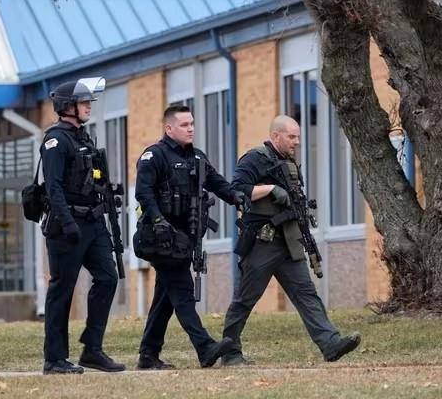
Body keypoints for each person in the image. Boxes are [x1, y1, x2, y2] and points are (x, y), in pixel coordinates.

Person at [221, 115, 361, 366]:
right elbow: (236, 190)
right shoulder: (254, 158)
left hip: (288, 241)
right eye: (292, 136)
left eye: (298, 137)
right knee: (245, 299)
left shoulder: (289, 162)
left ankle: (330, 343)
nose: (297, 142)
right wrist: (270, 190)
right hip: (261, 244)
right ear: (276, 136)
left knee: (307, 293)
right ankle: (230, 352)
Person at [134, 105, 248, 370]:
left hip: (184, 238)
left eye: (192, 124)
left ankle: (148, 355)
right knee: (183, 292)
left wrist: (234, 197)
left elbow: (216, 182)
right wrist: (159, 221)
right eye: (184, 125)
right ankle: (205, 348)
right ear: (169, 128)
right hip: (160, 237)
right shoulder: (155, 155)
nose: (191, 129)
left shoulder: (196, 157)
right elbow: (144, 193)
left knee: (165, 298)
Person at [40, 77, 125, 375]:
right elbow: (53, 188)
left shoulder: (83, 138)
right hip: (67, 226)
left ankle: (92, 349)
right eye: (83, 102)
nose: (89, 106)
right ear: (67, 107)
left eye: (89, 102)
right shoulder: (55, 141)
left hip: (93, 222)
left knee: (108, 277)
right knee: (62, 290)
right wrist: (67, 222)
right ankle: (54, 359)